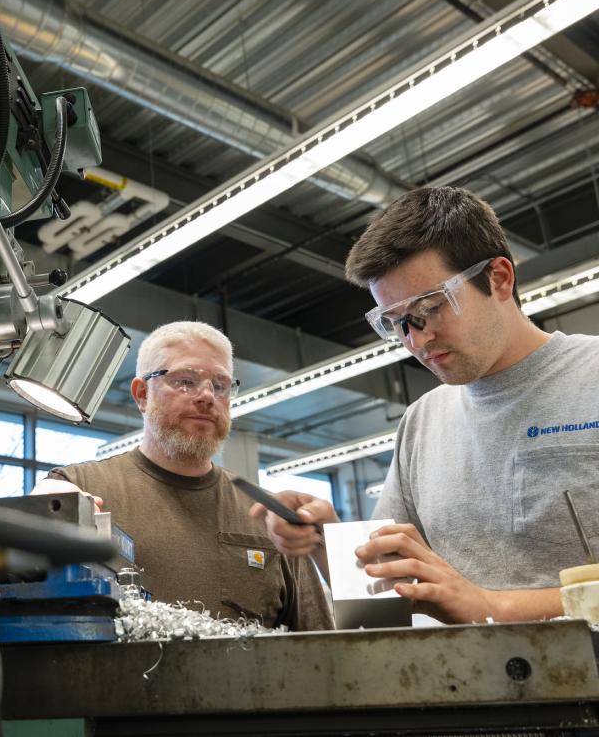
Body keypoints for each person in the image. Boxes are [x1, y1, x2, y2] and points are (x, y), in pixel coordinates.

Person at [257, 186, 599, 624]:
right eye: (396, 322)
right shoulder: (423, 422)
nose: (416, 340)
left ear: (498, 278)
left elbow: (474, 604)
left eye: (431, 308)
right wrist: (327, 544)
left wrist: (493, 608)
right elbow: (387, 601)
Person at [33, 321, 333, 631]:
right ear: (142, 395)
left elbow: (318, 647)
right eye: (185, 381)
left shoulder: (273, 519)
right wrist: (42, 513)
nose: (207, 396)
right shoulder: (80, 489)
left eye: (220, 385)